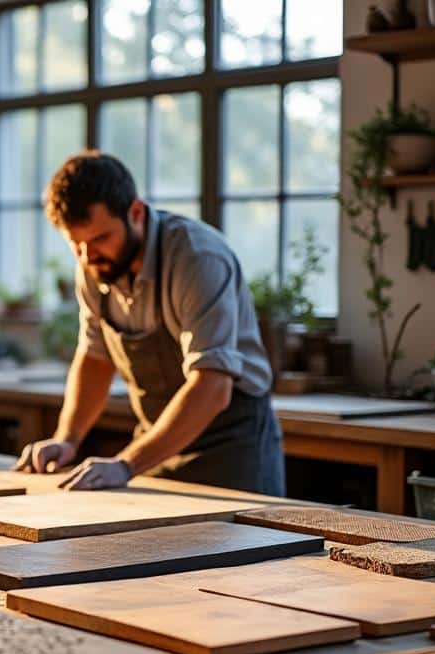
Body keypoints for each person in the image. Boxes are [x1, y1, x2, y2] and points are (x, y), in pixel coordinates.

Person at [15, 151, 284, 495]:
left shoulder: (197, 259)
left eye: (100, 239)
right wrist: (67, 438)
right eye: (76, 244)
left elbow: (213, 386)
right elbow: (95, 358)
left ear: (136, 213)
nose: (87, 256)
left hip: (231, 451)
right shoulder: (93, 265)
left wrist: (126, 465)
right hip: (157, 447)